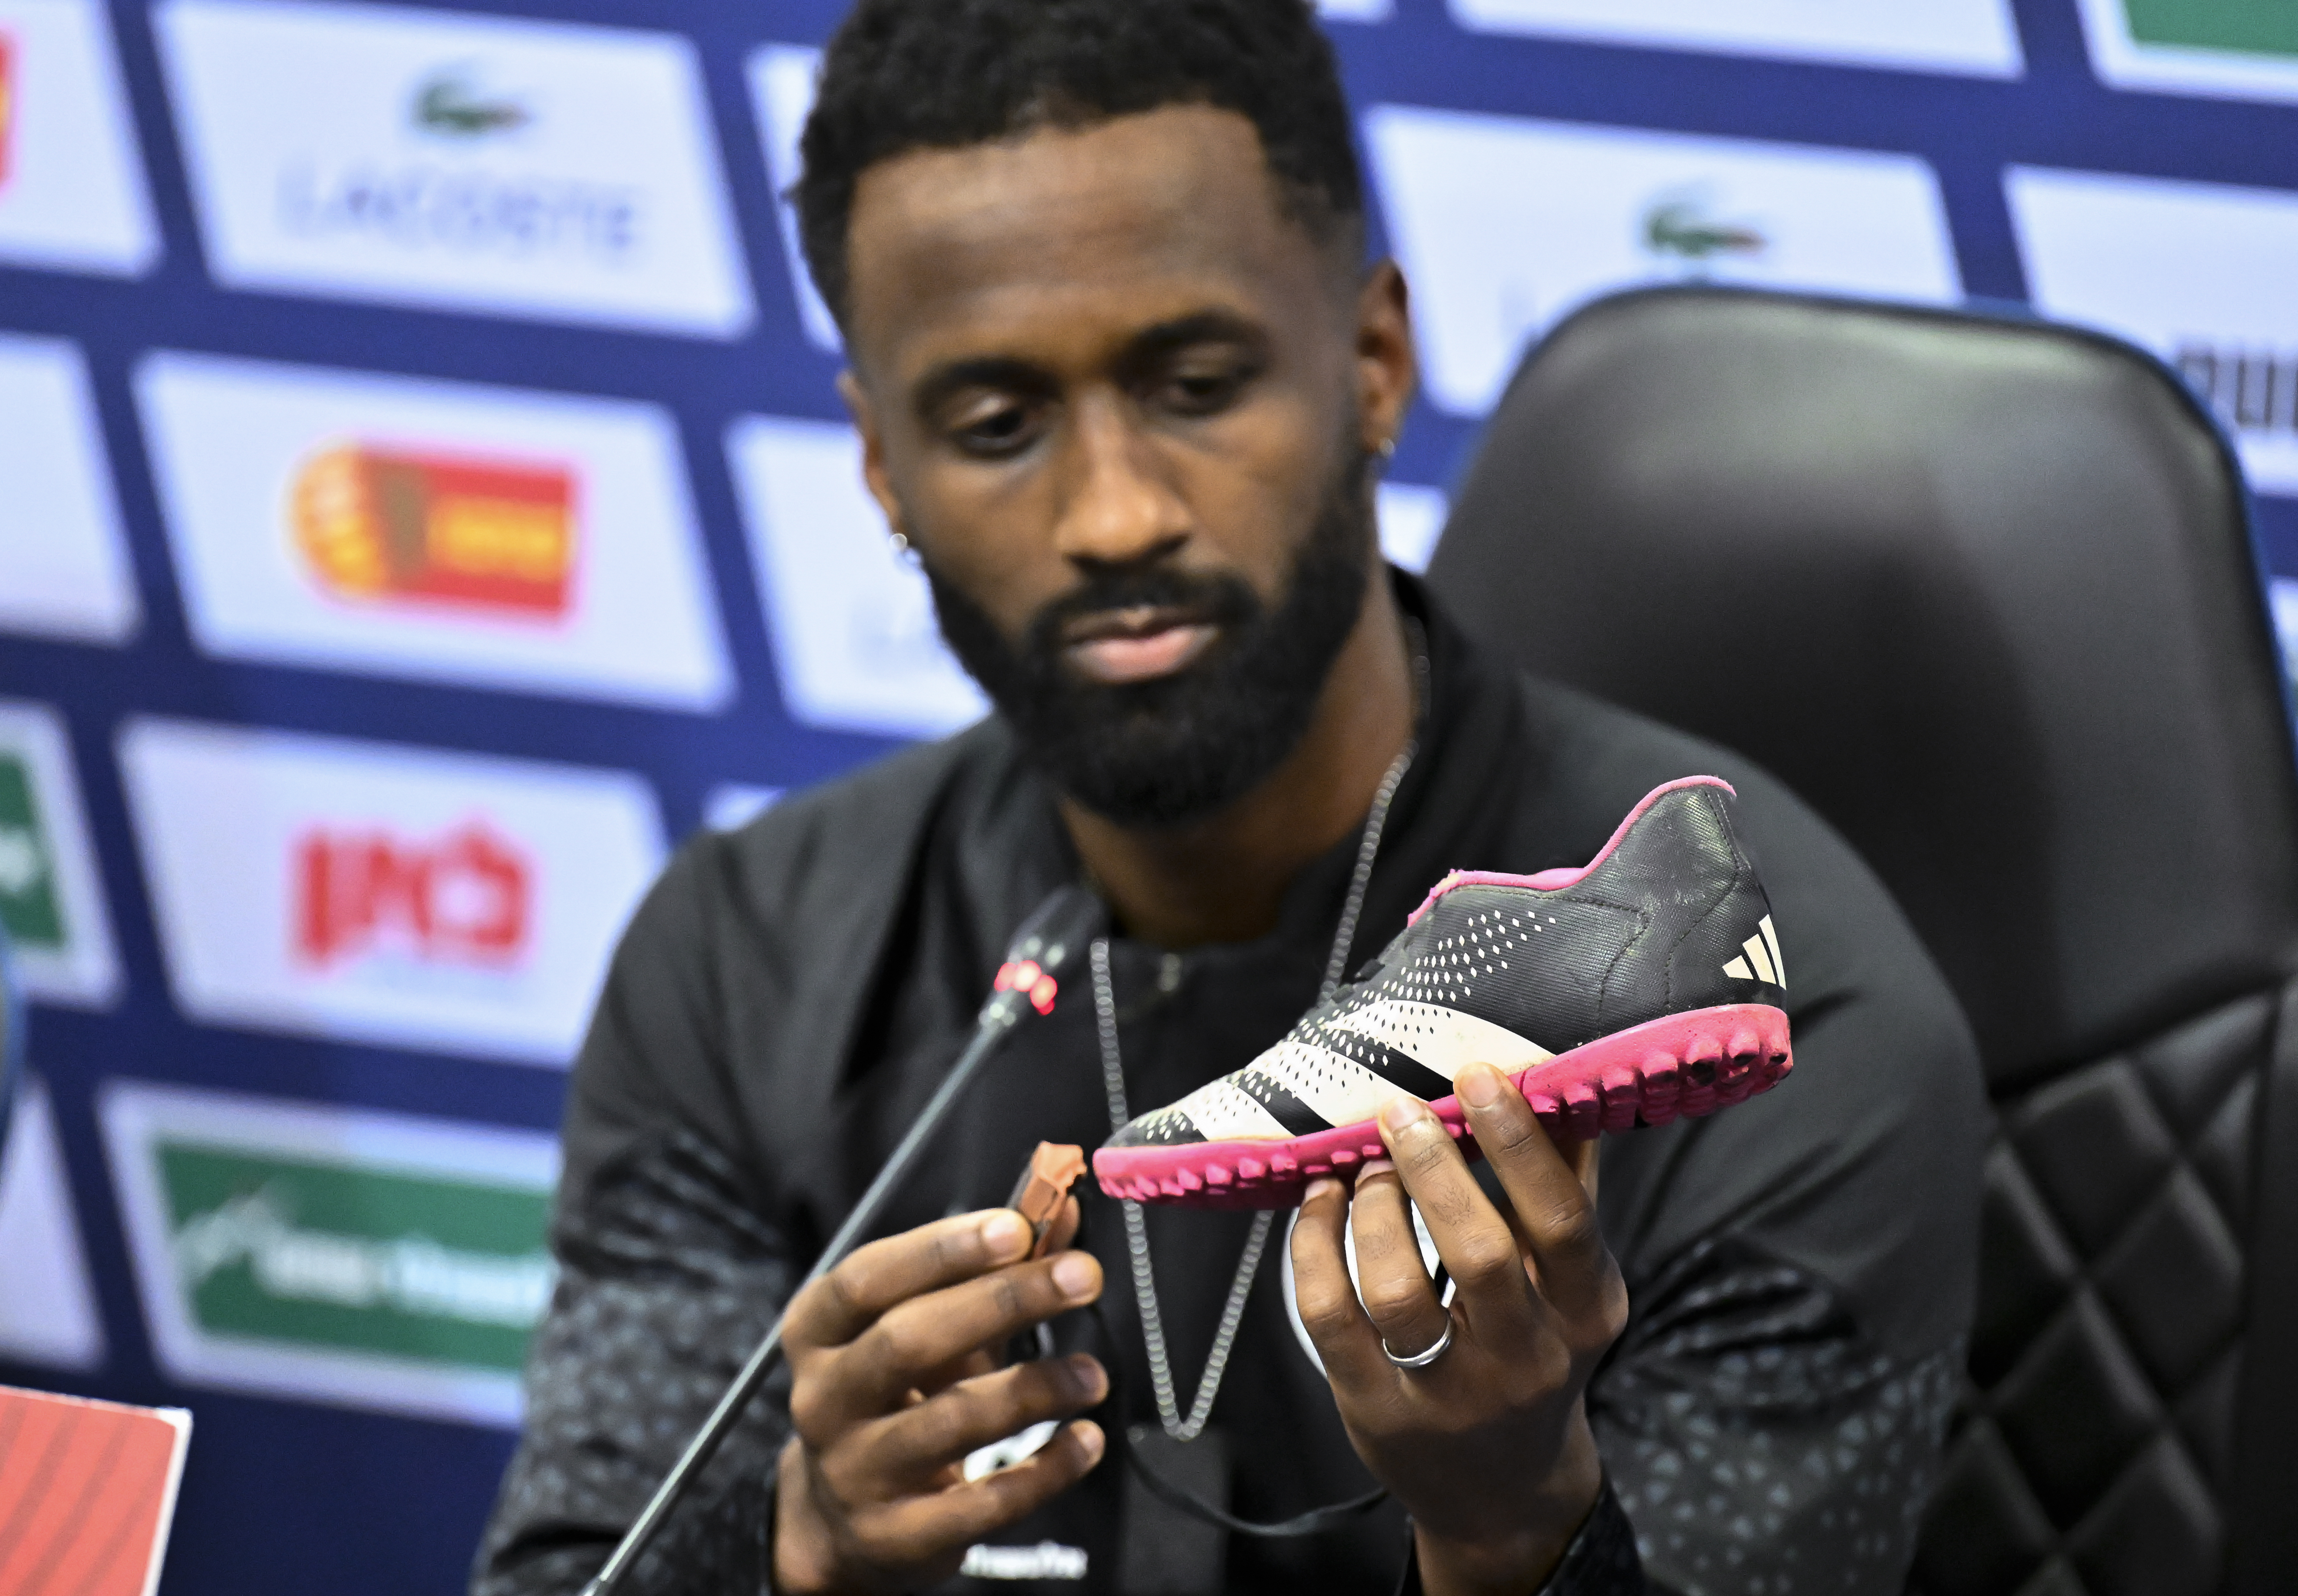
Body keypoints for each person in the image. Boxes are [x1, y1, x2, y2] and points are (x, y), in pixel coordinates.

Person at [470, 1, 1987, 1591]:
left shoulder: (1758, 1010)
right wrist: (796, 1565)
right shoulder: (741, 964)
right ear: (878, 466)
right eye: (998, 427)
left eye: (1195, 385)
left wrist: (1515, 1530)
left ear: (1374, 363)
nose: (1115, 513)